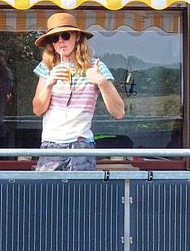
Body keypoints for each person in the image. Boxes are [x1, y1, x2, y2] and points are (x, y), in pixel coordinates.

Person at [32, 12, 125, 171]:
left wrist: (102, 82)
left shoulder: (96, 66)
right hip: (50, 144)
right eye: (55, 38)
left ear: (77, 37)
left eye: (65, 35)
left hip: (81, 145)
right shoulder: (47, 67)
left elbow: (119, 112)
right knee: (47, 194)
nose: (60, 41)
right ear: (51, 44)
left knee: (79, 194)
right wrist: (49, 84)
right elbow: (37, 110)